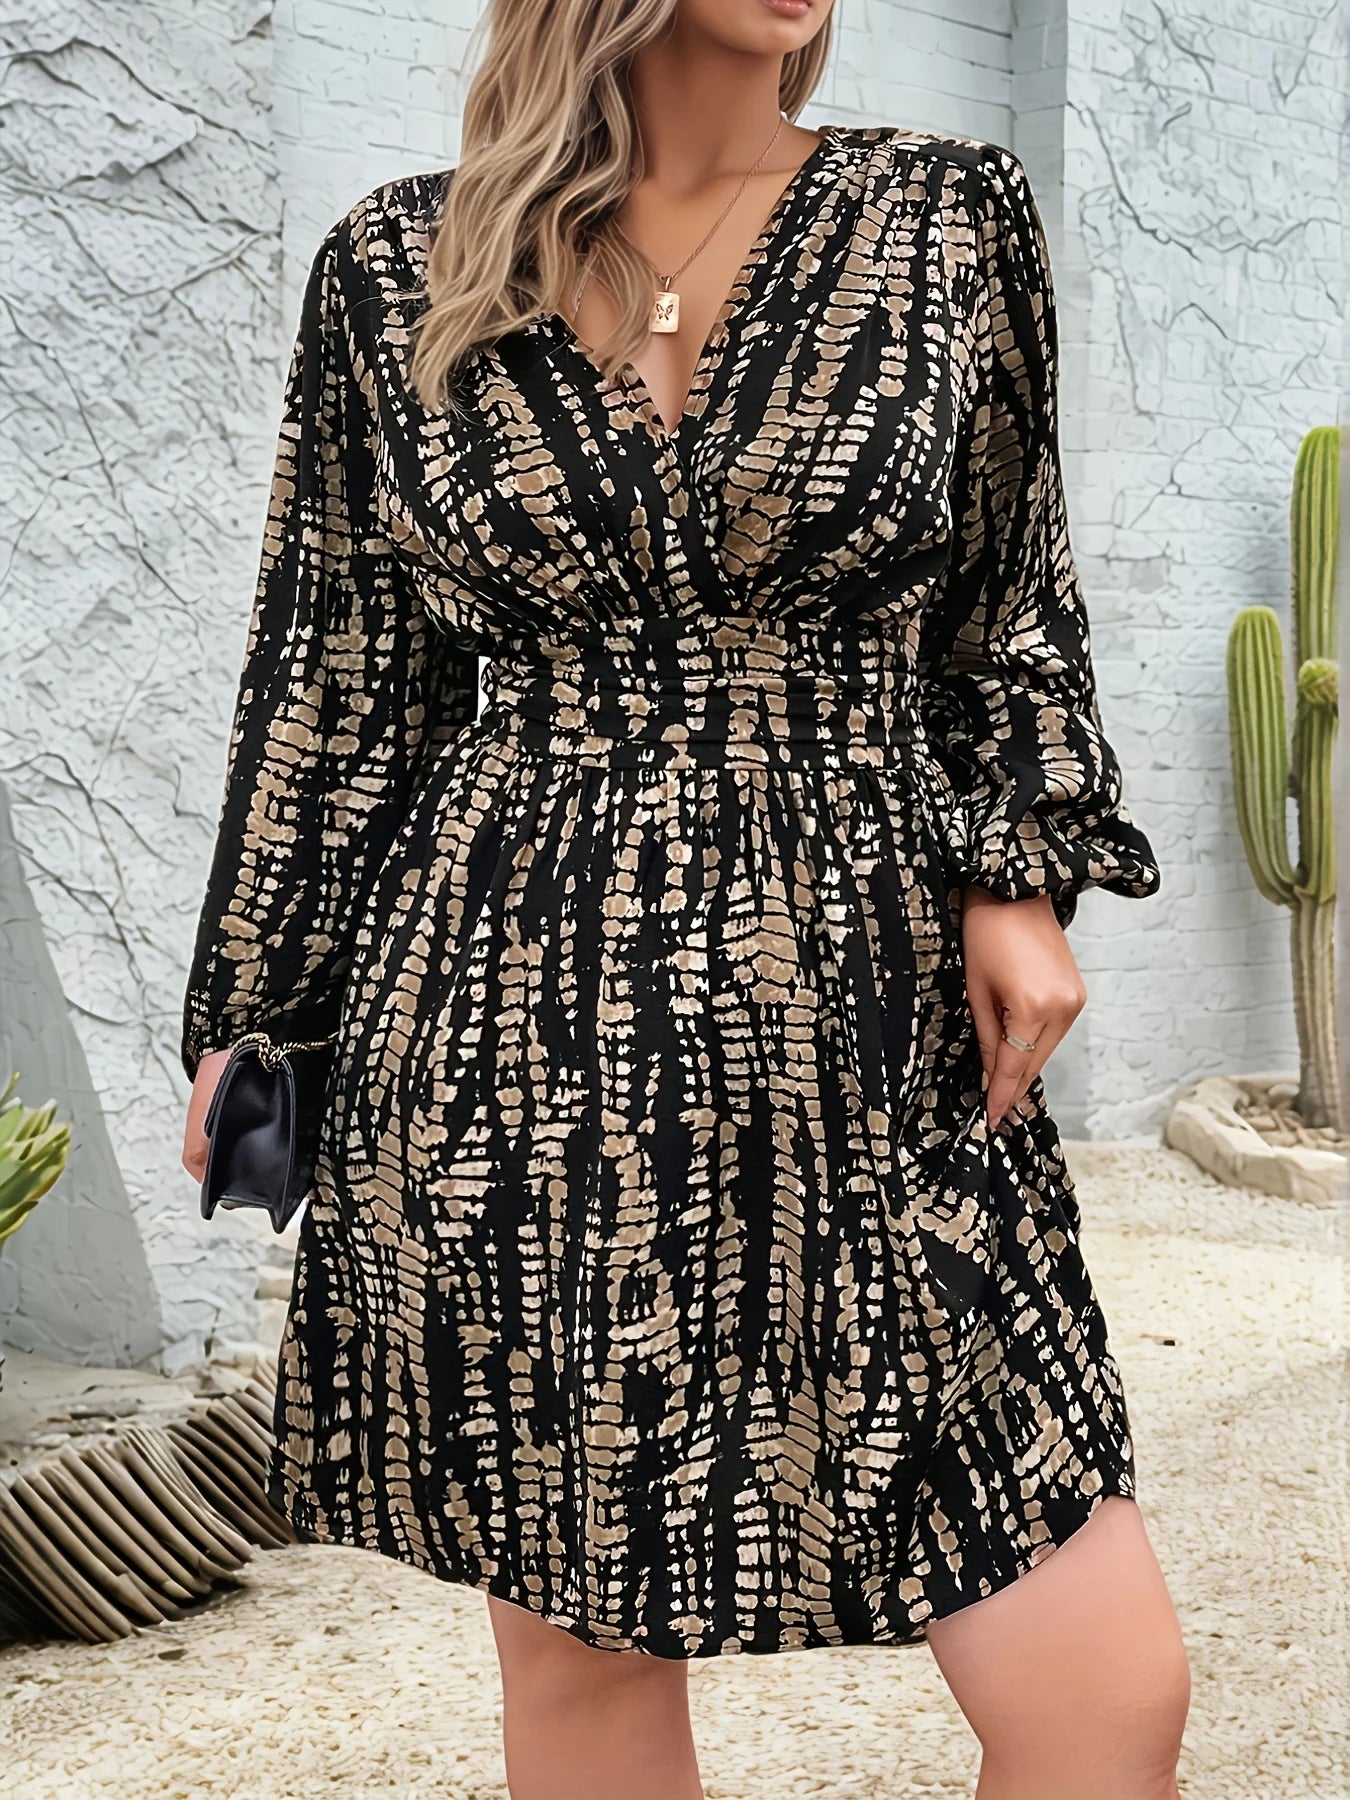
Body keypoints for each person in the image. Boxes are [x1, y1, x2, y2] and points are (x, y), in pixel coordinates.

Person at [180, 2, 1191, 1795]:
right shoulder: (397, 266)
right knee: (583, 1657)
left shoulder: (940, 214)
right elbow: (335, 679)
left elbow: (1007, 599)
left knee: (1100, 1689)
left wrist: (1014, 872)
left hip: (862, 996)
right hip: (508, 1012)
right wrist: (263, 1013)